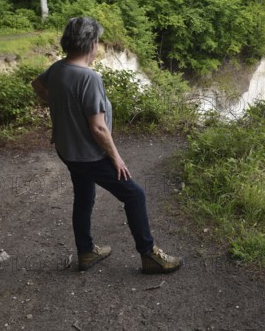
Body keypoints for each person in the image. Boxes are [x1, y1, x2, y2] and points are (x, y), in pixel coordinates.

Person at [32, 17, 183, 273]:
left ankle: (86, 252)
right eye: (97, 41)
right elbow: (98, 127)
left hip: (67, 150)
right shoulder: (88, 78)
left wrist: (60, 107)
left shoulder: (58, 68)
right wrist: (116, 158)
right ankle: (149, 255)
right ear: (91, 43)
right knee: (134, 194)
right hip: (89, 155)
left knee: (83, 196)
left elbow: (37, 85)